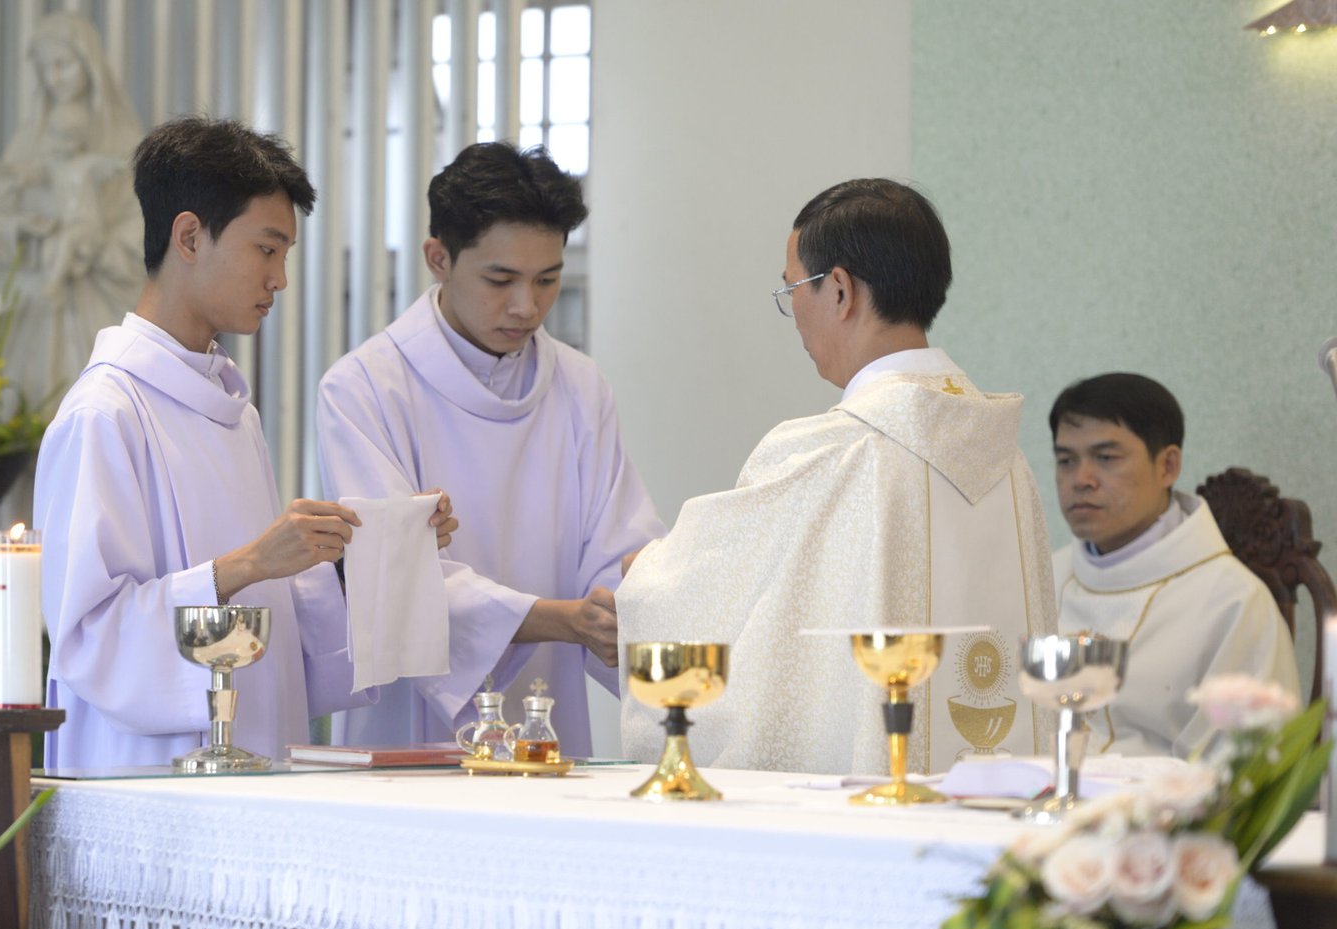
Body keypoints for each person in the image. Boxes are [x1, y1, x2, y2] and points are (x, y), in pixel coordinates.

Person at [35, 117, 456, 769]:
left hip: (250, 766)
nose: (280, 278)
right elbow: (89, 639)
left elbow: (275, 629)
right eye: (267, 249)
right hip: (144, 776)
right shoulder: (105, 413)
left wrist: (361, 556)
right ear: (189, 237)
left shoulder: (233, 411)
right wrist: (249, 564)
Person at [616, 178, 1057, 775]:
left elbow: (693, 600)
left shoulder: (831, 451)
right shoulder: (1007, 457)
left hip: (866, 815)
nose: (793, 311)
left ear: (841, 290)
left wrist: (641, 575)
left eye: (793, 287)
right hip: (1000, 802)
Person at [316, 142, 665, 755]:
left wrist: (622, 606)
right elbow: (393, 581)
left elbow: (618, 547)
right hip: (412, 735)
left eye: (547, 279)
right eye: (500, 280)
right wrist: (562, 620)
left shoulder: (580, 386)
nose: (526, 306)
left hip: (546, 719)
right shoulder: (364, 387)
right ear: (438, 258)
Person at [1049, 373, 1297, 757]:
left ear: (1167, 466)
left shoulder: (1233, 601)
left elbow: (1246, 766)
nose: (1081, 480)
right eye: (1066, 460)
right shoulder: (1043, 578)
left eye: (1106, 458)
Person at [0, 12, 147, 410]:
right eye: (45, 68)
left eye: (63, 63)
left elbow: (146, 223)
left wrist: (102, 249)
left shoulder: (125, 140)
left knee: (101, 402)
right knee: (34, 403)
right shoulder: (29, 142)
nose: (54, 78)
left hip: (103, 296)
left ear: (88, 62)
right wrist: (22, 228)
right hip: (36, 303)